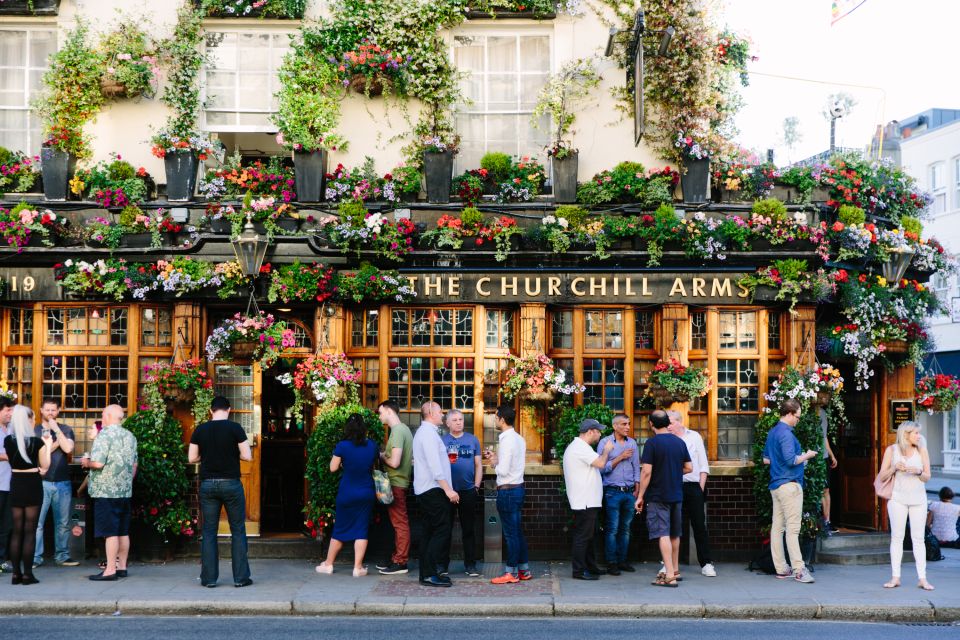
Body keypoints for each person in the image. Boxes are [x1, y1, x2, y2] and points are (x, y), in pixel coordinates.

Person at [188, 395, 253, 588]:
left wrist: (206, 457)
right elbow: (247, 456)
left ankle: (208, 579)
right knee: (238, 530)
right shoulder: (235, 428)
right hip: (231, 484)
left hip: (208, 484)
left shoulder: (200, 430)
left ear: (211, 411)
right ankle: (241, 578)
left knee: (209, 531)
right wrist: (233, 454)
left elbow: (192, 458)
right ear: (229, 410)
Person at [315, 413, 379, 578]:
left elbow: (332, 468)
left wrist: (344, 463)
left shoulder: (342, 446)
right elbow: (373, 466)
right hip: (366, 491)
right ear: (363, 428)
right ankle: (357, 568)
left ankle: (328, 564)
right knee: (361, 529)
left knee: (340, 529)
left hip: (347, 492)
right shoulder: (372, 445)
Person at [762, 398, 817, 584]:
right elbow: (790, 460)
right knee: (793, 529)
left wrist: (799, 458)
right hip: (789, 485)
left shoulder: (773, 432)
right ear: (790, 413)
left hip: (776, 485)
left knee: (777, 528)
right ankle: (799, 570)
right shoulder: (786, 433)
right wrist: (807, 455)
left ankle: (782, 568)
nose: (798, 420)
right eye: (798, 417)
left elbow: (766, 460)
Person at [81, 404, 137, 582]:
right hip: (124, 491)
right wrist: (125, 480)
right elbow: (134, 465)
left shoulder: (104, 435)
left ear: (109, 415)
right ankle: (122, 567)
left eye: (103, 414)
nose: (102, 417)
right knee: (123, 531)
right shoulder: (130, 436)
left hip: (106, 490)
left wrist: (86, 462)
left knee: (110, 532)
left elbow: (98, 463)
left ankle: (110, 569)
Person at [635, 410, 691, 587]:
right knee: (675, 533)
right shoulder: (679, 442)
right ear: (667, 423)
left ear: (651, 424)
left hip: (658, 495)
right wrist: (672, 471)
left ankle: (669, 576)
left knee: (663, 533)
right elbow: (689, 467)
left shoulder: (652, 443)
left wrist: (640, 496)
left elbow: (646, 471)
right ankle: (675, 569)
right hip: (676, 493)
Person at [877, 421, 933, 590]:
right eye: (916, 433)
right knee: (897, 537)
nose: (919, 436)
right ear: (906, 434)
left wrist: (918, 471)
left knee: (918, 539)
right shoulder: (891, 450)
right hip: (897, 499)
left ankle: (922, 578)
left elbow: (927, 476)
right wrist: (894, 467)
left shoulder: (921, 449)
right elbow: (881, 476)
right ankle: (895, 577)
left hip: (918, 500)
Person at [410, 401, 459, 587]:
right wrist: (448, 490)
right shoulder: (428, 435)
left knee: (429, 532)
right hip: (433, 490)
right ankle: (430, 574)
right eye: (440, 411)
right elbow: (435, 466)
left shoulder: (426, 433)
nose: (443, 414)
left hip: (428, 489)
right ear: (430, 412)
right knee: (442, 530)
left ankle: (427, 574)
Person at [3, 405, 51, 584]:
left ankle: (15, 574)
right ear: (27, 420)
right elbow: (45, 467)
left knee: (17, 531)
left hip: (16, 483)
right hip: (32, 483)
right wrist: (46, 445)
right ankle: (27, 574)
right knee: (30, 531)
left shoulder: (8, 441)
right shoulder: (36, 442)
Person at [564, 418, 615, 580]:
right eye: (598, 431)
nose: (600, 435)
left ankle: (591, 567)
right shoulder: (580, 448)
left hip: (587, 500)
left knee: (589, 536)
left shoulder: (580, 447)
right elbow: (601, 463)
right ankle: (578, 571)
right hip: (584, 500)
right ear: (590, 431)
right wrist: (606, 450)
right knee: (583, 537)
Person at [667, 410, 716, 577]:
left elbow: (703, 464)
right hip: (674, 486)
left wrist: (700, 488)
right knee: (674, 526)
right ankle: (668, 564)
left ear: (680, 422)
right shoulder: (666, 438)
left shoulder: (694, 437)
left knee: (699, 526)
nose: (668, 426)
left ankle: (706, 563)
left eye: (671, 422)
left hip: (693, 486)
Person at [485, 404, 530, 584]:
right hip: (518, 488)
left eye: (496, 417)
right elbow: (512, 465)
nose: (495, 420)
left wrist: (494, 463)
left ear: (502, 419)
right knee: (518, 533)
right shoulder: (519, 438)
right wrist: (496, 459)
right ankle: (524, 570)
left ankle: (510, 573)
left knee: (511, 535)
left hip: (507, 491)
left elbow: (503, 471)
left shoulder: (506, 440)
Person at [33, 399, 79, 568]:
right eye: (47, 410)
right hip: (41, 482)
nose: (50, 413)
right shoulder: (35, 430)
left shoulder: (65, 429)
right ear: (41, 410)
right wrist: (54, 444)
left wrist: (57, 431)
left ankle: (62, 556)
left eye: (53, 410)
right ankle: (36, 557)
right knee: (37, 522)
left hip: (62, 481)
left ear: (58, 411)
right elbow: (36, 455)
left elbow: (68, 449)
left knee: (63, 523)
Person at [439, 409, 483, 577]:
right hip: (448, 492)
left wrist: (476, 486)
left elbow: (478, 465)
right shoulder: (442, 441)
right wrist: (446, 489)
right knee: (445, 529)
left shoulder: (473, 440)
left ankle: (470, 565)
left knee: (469, 530)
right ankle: (442, 566)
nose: (459, 422)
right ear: (447, 423)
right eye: (455, 420)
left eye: (461, 419)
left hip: (468, 491)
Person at [597, 413, 640, 576]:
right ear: (615, 426)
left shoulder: (632, 443)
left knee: (626, 529)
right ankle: (611, 563)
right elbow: (601, 468)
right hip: (612, 492)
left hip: (629, 492)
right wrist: (620, 457)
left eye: (628, 424)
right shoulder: (605, 443)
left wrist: (637, 489)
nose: (628, 427)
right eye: (624, 424)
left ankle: (622, 561)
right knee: (612, 528)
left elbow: (637, 467)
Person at [376, 400, 413, 576]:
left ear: (390, 411)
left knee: (400, 523)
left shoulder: (397, 431)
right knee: (398, 522)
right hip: (399, 482)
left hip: (396, 483)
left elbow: (395, 462)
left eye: (381, 412)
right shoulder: (404, 429)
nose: (380, 416)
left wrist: (381, 456)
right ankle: (397, 558)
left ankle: (401, 561)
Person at [819, 408, 840, 535]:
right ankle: (821, 522)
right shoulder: (805, 412)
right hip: (812, 457)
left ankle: (827, 521)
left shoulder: (822, 413)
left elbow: (824, 436)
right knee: (820, 490)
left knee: (826, 489)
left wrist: (832, 455)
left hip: (823, 456)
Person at [0, 396, 15, 574]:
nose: (10, 413)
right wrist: (11, 455)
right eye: (7, 410)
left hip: (10, 484)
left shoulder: (11, 429)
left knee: (6, 525)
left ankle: (2, 559)